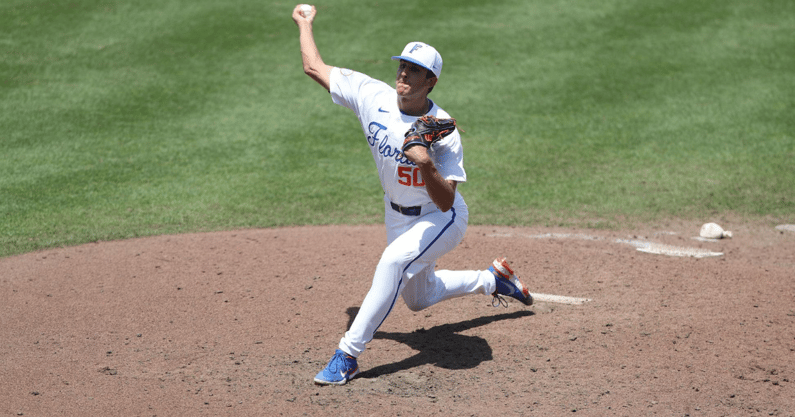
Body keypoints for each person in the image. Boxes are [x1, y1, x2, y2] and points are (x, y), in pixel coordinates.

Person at [291, 4, 533, 386]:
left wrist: (425, 163)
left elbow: (447, 201)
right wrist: (304, 23)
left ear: (430, 81)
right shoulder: (371, 94)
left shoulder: (442, 130)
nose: (403, 73)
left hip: (441, 217)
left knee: (391, 263)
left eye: (414, 69)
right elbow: (313, 68)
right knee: (419, 298)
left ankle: (347, 355)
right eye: (402, 65)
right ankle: (493, 279)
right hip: (396, 215)